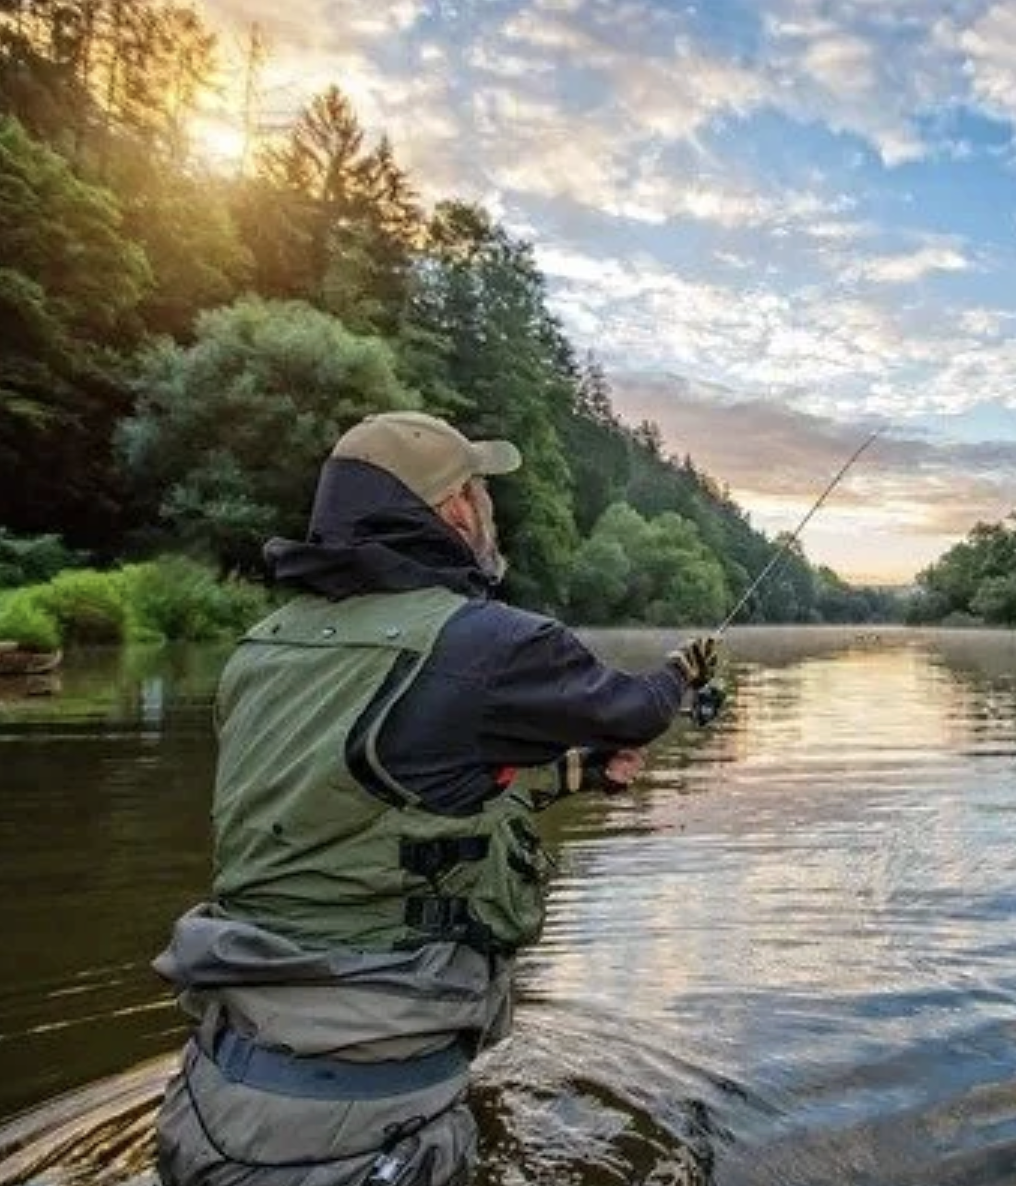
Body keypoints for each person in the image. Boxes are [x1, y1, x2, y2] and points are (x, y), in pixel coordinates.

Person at [152, 411, 721, 1186]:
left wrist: (577, 774)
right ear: (454, 508)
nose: (490, 510)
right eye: (482, 492)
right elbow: (635, 711)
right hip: (360, 1144)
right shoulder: (493, 642)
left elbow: (378, 796)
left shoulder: (263, 649)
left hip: (208, 1105)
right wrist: (679, 672)